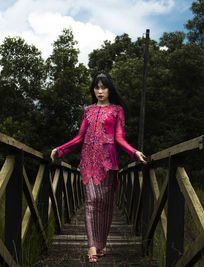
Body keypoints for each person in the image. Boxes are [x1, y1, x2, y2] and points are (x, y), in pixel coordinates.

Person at [50, 72, 146, 263]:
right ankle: (91, 246)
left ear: (110, 89)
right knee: (91, 201)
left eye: (104, 87)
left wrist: (134, 152)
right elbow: (79, 137)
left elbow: (119, 138)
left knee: (105, 204)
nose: (100, 91)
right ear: (93, 90)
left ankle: (102, 244)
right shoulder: (87, 111)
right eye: (97, 87)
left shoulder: (117, 110)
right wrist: (59, 150)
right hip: (88, 160)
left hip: (108, 161)